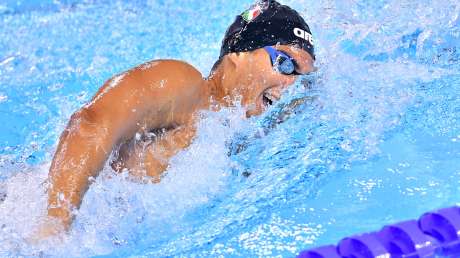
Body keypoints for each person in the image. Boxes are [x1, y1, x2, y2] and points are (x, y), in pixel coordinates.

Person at [43, 0, 316, 235]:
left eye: (299, 76)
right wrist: (53, 230)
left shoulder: (227, 136)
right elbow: (91, 122)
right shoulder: (182, 85)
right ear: (239, 54)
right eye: (285, 63)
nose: (289, 84)